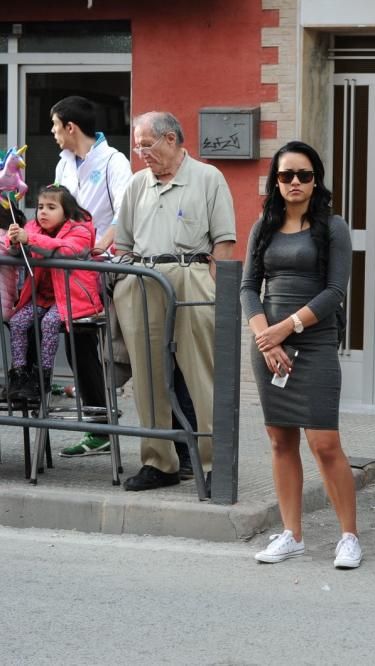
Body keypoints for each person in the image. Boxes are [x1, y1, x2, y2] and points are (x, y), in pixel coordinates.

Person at [241, 141, 360, 567]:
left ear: (316, 181)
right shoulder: (264, 226)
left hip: (313, 340)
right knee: (279, 439)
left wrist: (286, 329)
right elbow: (248, 287)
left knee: (324, 441)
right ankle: (292, 534)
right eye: (287, 175)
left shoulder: (333, 227)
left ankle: (348, 535)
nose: (295, 182)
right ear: (275, 181)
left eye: (304, 175)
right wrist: (265, 339)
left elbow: (335, 292)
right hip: (269, 344)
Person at [113, 111, 236, 491]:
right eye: (137, 147)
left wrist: (215, 291)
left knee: (202, 373)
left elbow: (225, 243)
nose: (141, 154)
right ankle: (159, 462)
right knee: (147, 377)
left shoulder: (207, 177)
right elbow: (123, 244)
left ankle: (218, 464)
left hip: (191, 275)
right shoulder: (137, 185)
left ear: (171, 139)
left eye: (146, 145)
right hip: (143, 280)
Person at [49, 95, 133, 457]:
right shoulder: (63, 164)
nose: (52, 132)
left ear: (71, 127)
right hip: (70, 269)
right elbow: (56, 214)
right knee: (74, 341)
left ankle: (101, 422)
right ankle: (95, 417)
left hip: (101, 268)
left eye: (55, 125)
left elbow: (125, 214)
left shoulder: (114, 161)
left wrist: (96, 247)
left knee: (91, 343)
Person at [4, 185, 103, 402]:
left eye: (51, 207)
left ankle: (43, 376)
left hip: (71, 299)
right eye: (40, 207)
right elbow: (18, 250)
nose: (43, 212)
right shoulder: (32, 227)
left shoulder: (81, 230)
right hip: (43, 297)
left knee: (50, 323)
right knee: (18, 322)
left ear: (66, 212)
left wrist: (29, 239)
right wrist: (13, 241)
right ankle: (19, 375)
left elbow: (67, 250)